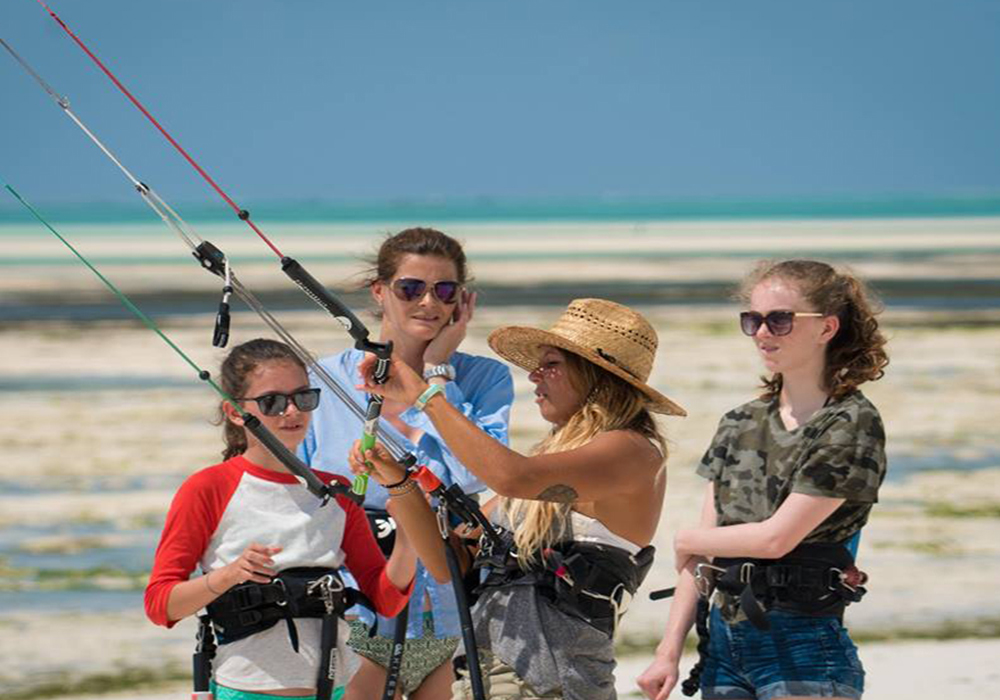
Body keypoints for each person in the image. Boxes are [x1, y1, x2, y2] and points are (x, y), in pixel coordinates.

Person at [353, 298, 687, 700]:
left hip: (553, 685)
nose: (533, 376)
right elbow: (449, 564)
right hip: (484, 680)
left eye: (551, 365)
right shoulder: (547, 469)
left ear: (597, 376)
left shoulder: (634, 451)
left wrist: (426, 396)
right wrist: (398, 483)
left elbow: (510, 476)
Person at [637, 259, 890, 700]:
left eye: (780, 320)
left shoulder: (852, 422)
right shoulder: (738, 423)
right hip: (722, 647)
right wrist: (669, 650)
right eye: (752, 320)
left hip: (804, 643)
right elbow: (704, 556)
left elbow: (776, 539)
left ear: (827, 328)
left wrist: (687, 539)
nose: (762, 333)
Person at [145, 338, 447, 700]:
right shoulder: (208, 488)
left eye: (303, 398)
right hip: (246, 692)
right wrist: (229, 576)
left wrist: (408, 534)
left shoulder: (337, 490)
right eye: (272, 402)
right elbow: (160, 605)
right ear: (235, 412)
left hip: (332, 691)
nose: (291, 411)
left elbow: (385, 600)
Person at [299, 228, 514, 699]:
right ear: (380, 291)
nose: (428, 303)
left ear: (462, 300)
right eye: (411, 289)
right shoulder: (323, 379)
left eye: (444, 291)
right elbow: (299, 494)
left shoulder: (484, 378)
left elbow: (474, 476)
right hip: (356, 605)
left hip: (451, 606)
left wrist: (437, 374)